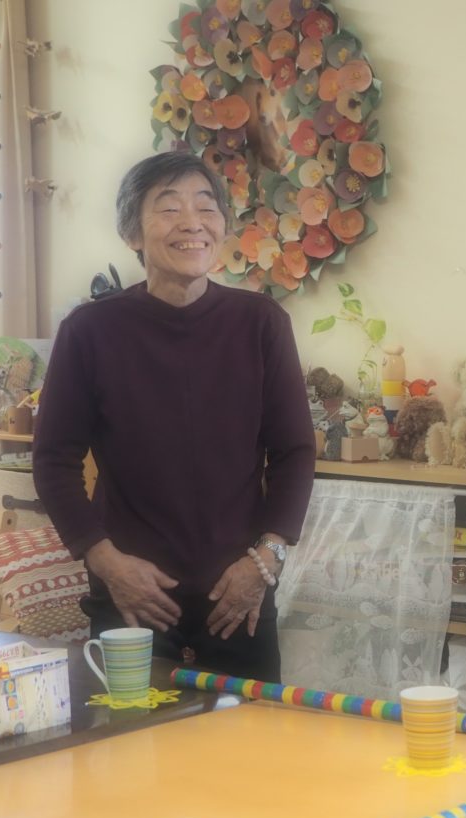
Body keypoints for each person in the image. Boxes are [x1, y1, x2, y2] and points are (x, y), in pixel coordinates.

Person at [33, 152, 316, 680]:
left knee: (250, 730)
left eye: (206, 207)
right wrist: (107, 563)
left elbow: (294, 453)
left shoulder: (261, 324)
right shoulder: (90, 331)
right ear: (131, 234)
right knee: (128, 730)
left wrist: (266, 560)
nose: (192, 222)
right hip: (131, 591)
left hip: (239, 589)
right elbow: (53, 461)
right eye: (168, 208)